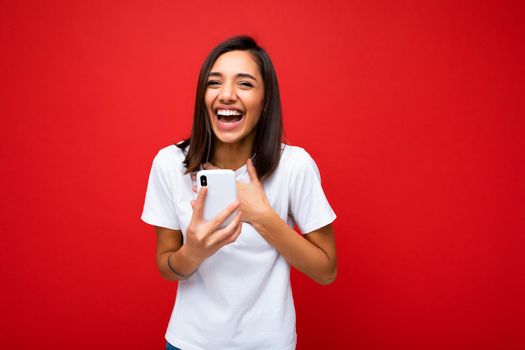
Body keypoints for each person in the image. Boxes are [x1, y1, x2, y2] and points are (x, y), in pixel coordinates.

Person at [141, 35, 337, 350]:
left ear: (266, 99)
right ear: (203, 95)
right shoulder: (169, 163)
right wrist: (192, 253)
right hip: (188, 343)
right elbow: (167, 266)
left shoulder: (294, 165)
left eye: (245, 84)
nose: (227, 94)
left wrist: (263, 217)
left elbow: (326, 270)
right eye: (214, 83)